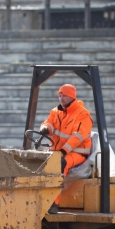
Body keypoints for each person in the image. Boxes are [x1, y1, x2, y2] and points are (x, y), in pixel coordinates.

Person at [39, 84, 93, 212]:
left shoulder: (82, 114)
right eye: (59, 95)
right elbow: (49, 123)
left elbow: (77, 137)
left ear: (72, 97)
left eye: (64, 95)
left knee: (59, 164)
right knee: (37, 160)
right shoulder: (55, 112)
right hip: (57, 151)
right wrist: (45, 128)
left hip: (77, 153)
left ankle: (53, 203)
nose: (61, 98)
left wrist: (63, 152)